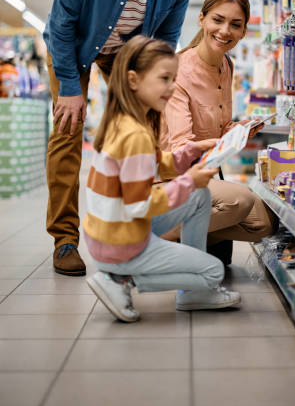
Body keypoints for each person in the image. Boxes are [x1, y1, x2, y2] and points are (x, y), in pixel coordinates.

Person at [43, 0, 195, 276]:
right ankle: (65, 240)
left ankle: (139, 224)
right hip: (73, 46)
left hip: (128, 54)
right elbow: (60, 24)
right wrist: (72, 90)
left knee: (144, 129)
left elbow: (165, 41)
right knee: (67, 130)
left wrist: (158, 88)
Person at [84, 35, 241, 322]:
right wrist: (189, 180)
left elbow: (156, 166)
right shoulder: (135, 135)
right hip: (121, 242)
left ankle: (188, 291)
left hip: (108, 231)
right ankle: (122, 280)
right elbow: (139, 205)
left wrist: (189, 152)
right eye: (165, 79)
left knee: (199, 197)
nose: (172, 88)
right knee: (214, 270)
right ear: (133, 80)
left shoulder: (127, 121)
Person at [161, 0, 278, 264]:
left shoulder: (227, 65)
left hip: (200, 175)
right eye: (218, 20)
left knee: (264, 223)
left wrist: (240, 130)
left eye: (235, 24)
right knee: (239, 200)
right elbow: (181, 149)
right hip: (166, 178)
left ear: (243, 31)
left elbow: (220, 127)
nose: (225, 31)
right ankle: (150, 238)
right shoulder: (176, 72)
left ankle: (191, 242)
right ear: (201, 19)